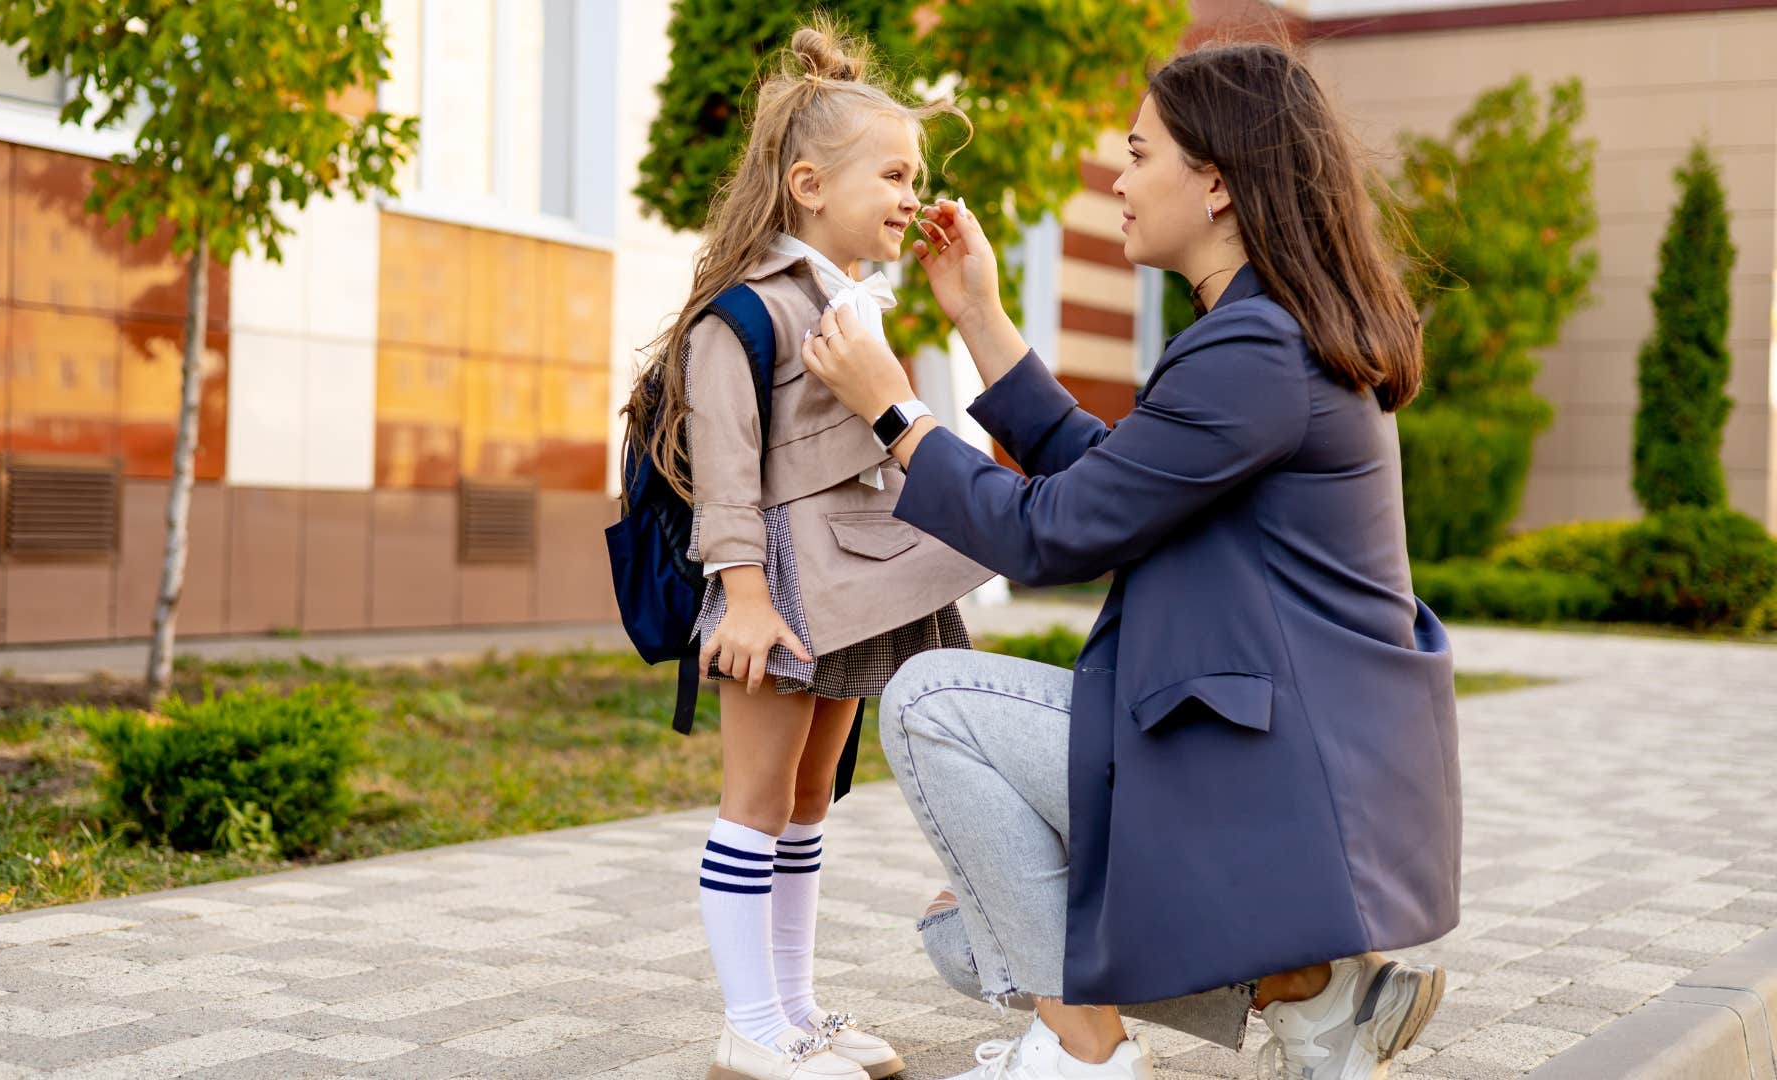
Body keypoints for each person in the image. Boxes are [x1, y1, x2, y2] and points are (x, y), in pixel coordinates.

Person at [798, 41, 1459, 1080]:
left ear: (1218, 184)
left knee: (931, 703)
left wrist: (893, 410)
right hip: (1287, 765)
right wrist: (979, 316)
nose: (1118, 177)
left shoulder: (1256, 353)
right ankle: (1311, 993)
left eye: (1141, 153)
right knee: (970, 929)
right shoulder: (1265, 338)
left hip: (1271, 775)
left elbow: (1050, 533)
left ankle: (1085, 1050)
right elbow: (1112, 488)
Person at [619, 20, 993, 1080]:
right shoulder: (740, 318)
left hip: (854, 584)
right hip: (778, 586)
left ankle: (795, 1010)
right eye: (893, 172)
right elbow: (730, 476)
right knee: (756, 800)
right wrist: (742, 597)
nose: (910, 192)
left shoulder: (847, 304)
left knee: (810, 798)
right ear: (807, 184)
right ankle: (750, 1028)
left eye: (915, 174)